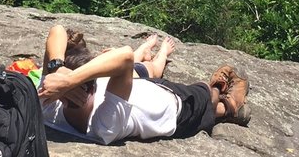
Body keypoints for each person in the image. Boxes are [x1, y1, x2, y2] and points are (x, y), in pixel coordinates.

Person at [38, 24, 250, 145]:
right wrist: (69, 80)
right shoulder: (103, 125)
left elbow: (57, 30)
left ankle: (153, 53)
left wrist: (57, 70)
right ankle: (230, 108)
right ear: (91, 84)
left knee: (142, 69)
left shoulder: (48, 105)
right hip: (171, 105)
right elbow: (124, 56)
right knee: (207, 94)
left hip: (137, 88)